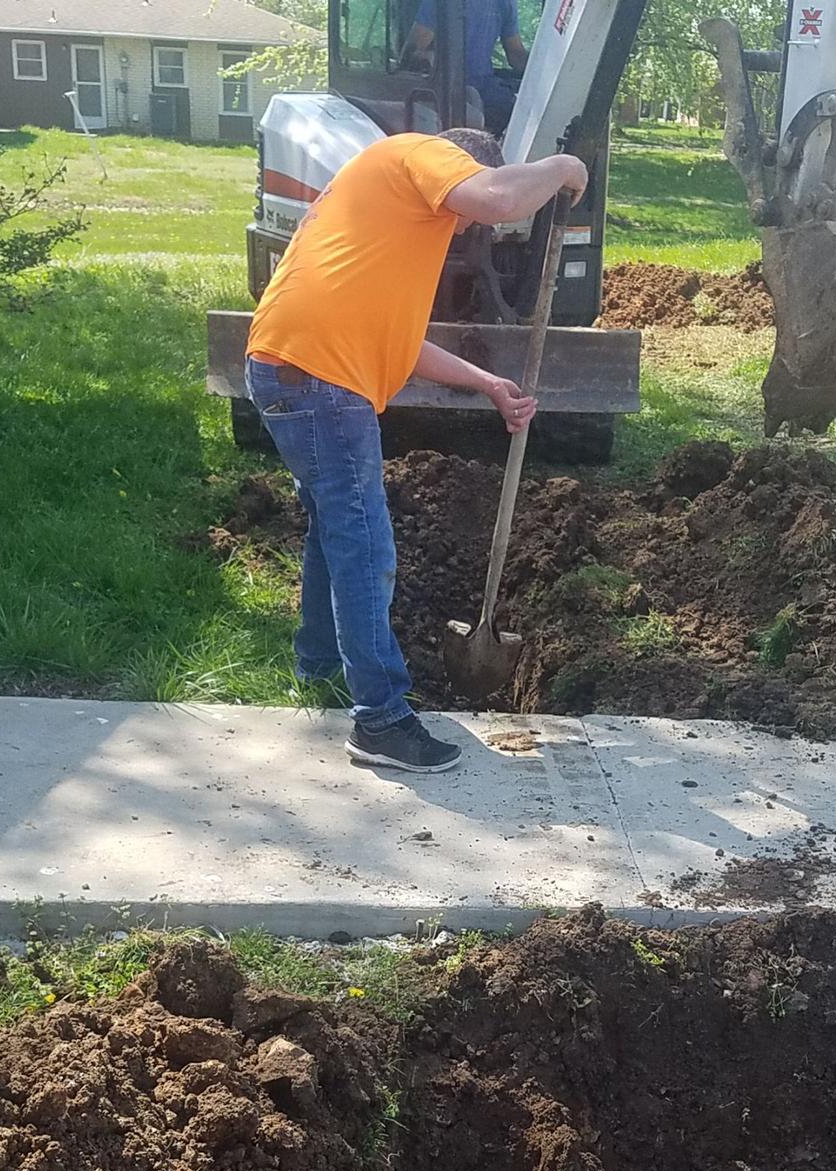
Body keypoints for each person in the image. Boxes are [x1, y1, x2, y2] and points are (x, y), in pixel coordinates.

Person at [244, 128, 587, 774]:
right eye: (462, 217)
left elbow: (402, 341)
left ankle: (318, 666)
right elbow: (496, 198)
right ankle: (380, 720)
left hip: (285, 366)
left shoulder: (385, 205)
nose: (463, 231)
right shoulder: (422, 156)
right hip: (321, 379)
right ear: (461, 164)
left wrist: (486, 384)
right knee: (365, 543)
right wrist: (562, 166)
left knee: (332, 528)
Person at [403, 0, 527, 134]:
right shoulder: (504, 3)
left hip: (444, 95)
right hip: (485, 97)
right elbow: (517, 57)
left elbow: (415, 49)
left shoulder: (438, 3)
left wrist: (400, 63)